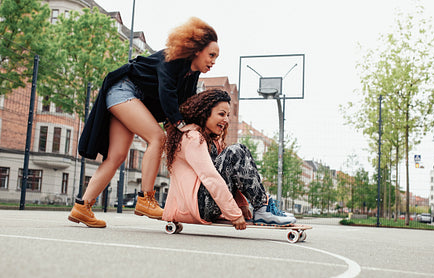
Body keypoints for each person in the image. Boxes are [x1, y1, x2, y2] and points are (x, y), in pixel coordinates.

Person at [68, 17, 219, 228]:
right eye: (211, 55)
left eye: (216, 58)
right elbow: (166, 92)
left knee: (117, 156)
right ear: (196, 49)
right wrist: (178, 122)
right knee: (157, 137)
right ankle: (145, 199)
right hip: (124, 89)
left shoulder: (191, 75)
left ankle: (82, 207)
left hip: (134, 99)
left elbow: (186, 106)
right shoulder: (172, 58)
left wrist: (203, 130)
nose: (213, 61)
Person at [162, 89, 296, 229]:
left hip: (206, 204)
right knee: (235, 151)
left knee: (240, 149)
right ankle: (263, 208)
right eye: (221, 114)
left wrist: (242, 205)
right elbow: (210, 177)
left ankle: (263, 207)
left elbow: (227, 175)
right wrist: (234, 213)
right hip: (196, 206)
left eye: (227, 115)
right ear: (205, 113)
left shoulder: (213, 141)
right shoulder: (192, 138)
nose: (226, 120)